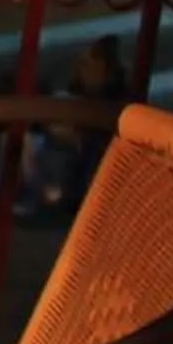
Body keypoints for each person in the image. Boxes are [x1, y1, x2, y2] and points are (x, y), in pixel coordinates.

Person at [24, 37, 127, 218]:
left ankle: (55, 195)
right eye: (81, 64)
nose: (81, 70)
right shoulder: (81, 91)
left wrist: (72, 133)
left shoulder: (114, 100)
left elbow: (94, 134)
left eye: (87, 65)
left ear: (105, 69)